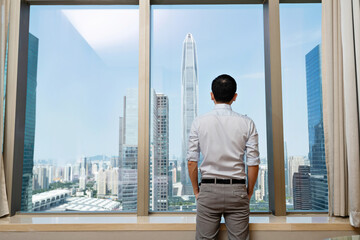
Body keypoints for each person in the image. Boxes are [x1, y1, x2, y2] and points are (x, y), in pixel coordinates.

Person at [187, 74, 260, 240]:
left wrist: (197, 192)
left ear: (211, 95)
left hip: (208, 190)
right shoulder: (247, 123)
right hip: (237, 190)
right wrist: (248, 193)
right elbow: (253, 163)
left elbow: (192, 162)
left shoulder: (199, 122)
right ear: (235, 97)